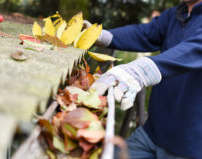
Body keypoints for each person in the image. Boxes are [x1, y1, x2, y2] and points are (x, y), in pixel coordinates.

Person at [85, 0, 202, 158]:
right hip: (151, 133)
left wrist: (143, 70)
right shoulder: (176, 14)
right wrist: (103, 36)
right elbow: (144, 34)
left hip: (190, 146)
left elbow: (196, 48)